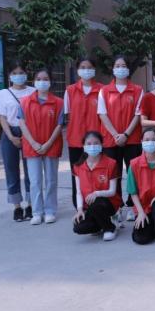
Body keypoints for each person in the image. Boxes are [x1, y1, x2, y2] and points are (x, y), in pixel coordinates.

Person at [98, 55, 144, 219]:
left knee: (133, 173)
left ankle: (133, 205)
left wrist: (125, 134)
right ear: (113, 69)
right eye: (117, 65)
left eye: (123, 65)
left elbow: (138, 114)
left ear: (128, 69)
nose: (120, 68)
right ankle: (116, 206)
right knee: (113, 174)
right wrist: (116, 135)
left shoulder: (137, 90)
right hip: (111, 140)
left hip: (132, 139)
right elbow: (102, 114)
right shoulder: (104, 91)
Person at [0, 62, 35, 221]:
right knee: (11, 170)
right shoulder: (3, 93)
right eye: (15, 73)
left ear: (26, 74)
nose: (18, 76)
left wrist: (28, 136)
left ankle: (31, 204)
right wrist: (11, 137)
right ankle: (17, 206)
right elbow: (2, 118)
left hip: (29, 133)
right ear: (9, 76)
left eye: (21, 72)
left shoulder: (33, 92)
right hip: (10, 132)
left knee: (31, 171)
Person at [19, 68, 64, 225]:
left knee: (51, 180)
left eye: (45, 79)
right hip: (32, 146)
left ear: (50, 82)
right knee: (35, 181)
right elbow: (22, 123)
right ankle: (37, 212)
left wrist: (48, 143)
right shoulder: (25, 101)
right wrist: (33, 143)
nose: (42, 82)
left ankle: (50, 211)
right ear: (34, 81)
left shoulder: (58, 102)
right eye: (39, 79)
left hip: (51, 145)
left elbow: (59, 125)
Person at [64, 58, 103, 210]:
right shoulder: (70, 90)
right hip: (76, 139)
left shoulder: (102, 90)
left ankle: (97, 205)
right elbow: (67, 115)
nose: (86, 70)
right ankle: (79, 206)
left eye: (89, 67)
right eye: (83, 67)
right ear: (78, 70)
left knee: (97, 172)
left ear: (94, 69)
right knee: (77, 173)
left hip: (96, 141)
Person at [72, 131, 121, 241]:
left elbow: (112, 191)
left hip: (108, 203)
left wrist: (96, 193)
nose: (92, 146)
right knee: (78, 228)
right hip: (90, 207)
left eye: (96, 143)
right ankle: (102, 224)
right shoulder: (78, 166)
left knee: (97, 204)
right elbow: (78, 192)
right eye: (89, 144)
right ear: (83, 146)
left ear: (101, 145)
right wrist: (79, 210)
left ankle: (110, 228)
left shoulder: (111, 163)